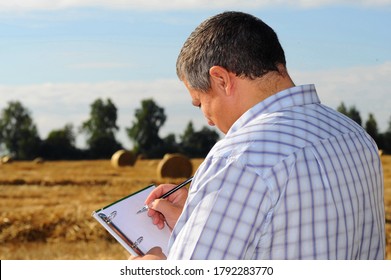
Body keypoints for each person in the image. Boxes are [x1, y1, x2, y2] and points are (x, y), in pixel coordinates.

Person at [131, 11, 385, 260]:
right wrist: (199, 222)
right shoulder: (354, 135)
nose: (207, 120)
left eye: (200, 103)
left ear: (221, 79)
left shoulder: (238, 159)